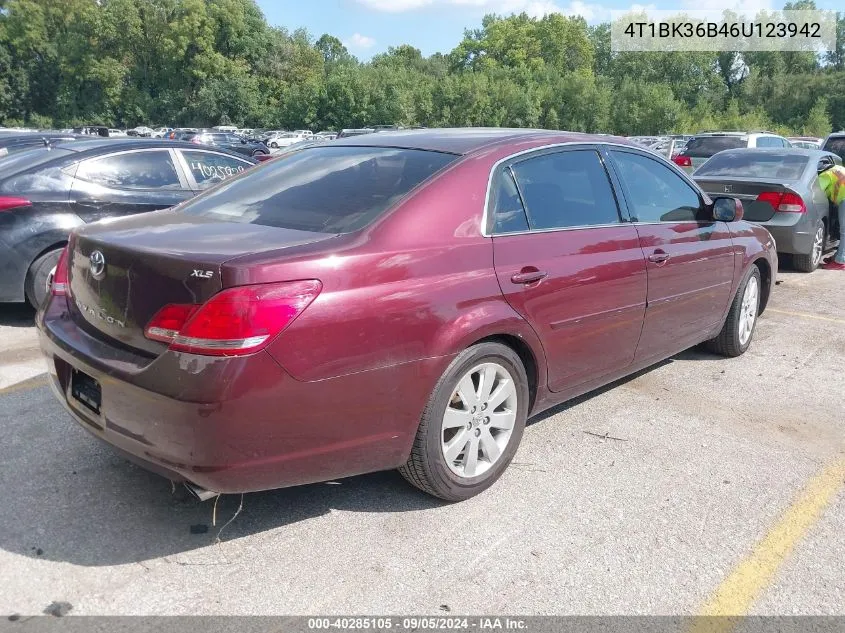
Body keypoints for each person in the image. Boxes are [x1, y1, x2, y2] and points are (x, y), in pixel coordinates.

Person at [819, 161, 845, 270]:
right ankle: (839, 257)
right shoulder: (839, 169)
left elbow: (817, 192)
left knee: (844, 232)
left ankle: (840, 261)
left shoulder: (825, 175)